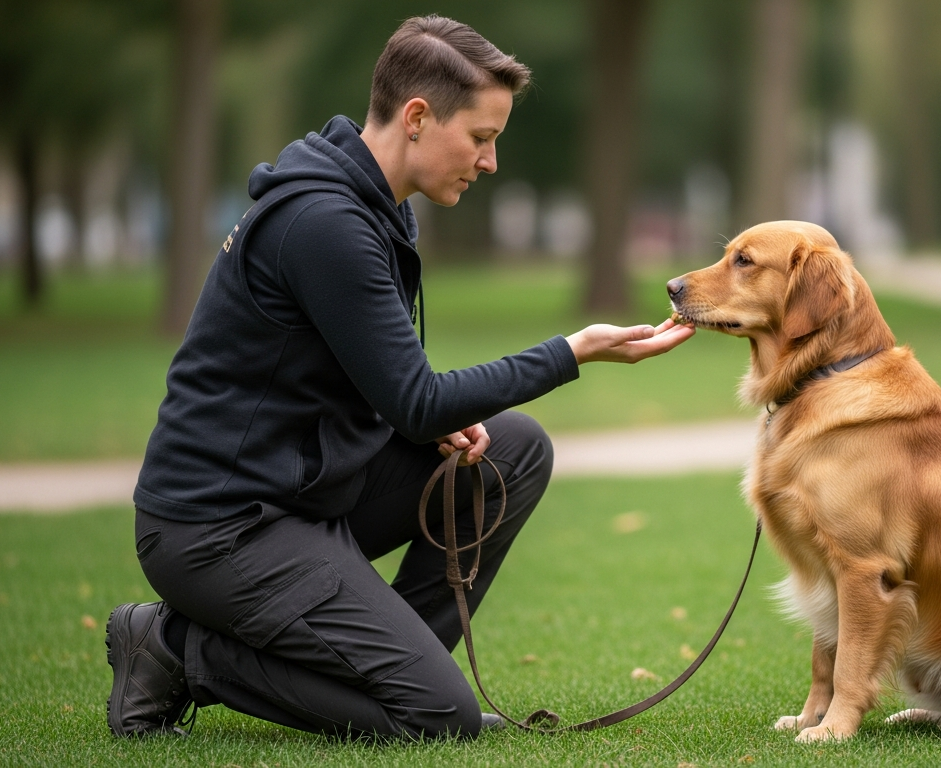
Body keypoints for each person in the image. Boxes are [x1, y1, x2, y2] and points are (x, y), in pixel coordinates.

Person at [106, 16, 693, 743]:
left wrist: (418, 418)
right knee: (438, 716)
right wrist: (572, 352)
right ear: (416, 118)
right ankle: (175, 650)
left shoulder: (373, 205)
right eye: (480, 137)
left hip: (305, 492)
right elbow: (418, 400)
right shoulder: (325, 222)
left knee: (513, 450)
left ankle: (391, 674)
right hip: (221, 528)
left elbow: (372, 384)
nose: (490, 162)